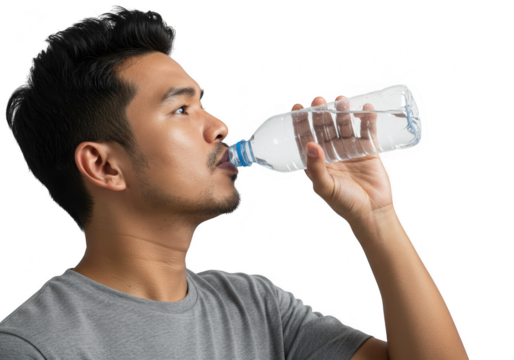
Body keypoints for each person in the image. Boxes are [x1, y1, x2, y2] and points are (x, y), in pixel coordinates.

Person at [1, 6, 469, 360]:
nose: (220, 126)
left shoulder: (254, 307)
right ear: (104, 166)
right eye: (181, 109)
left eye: (204, 104)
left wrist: (376, 216)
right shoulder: (36, 345)